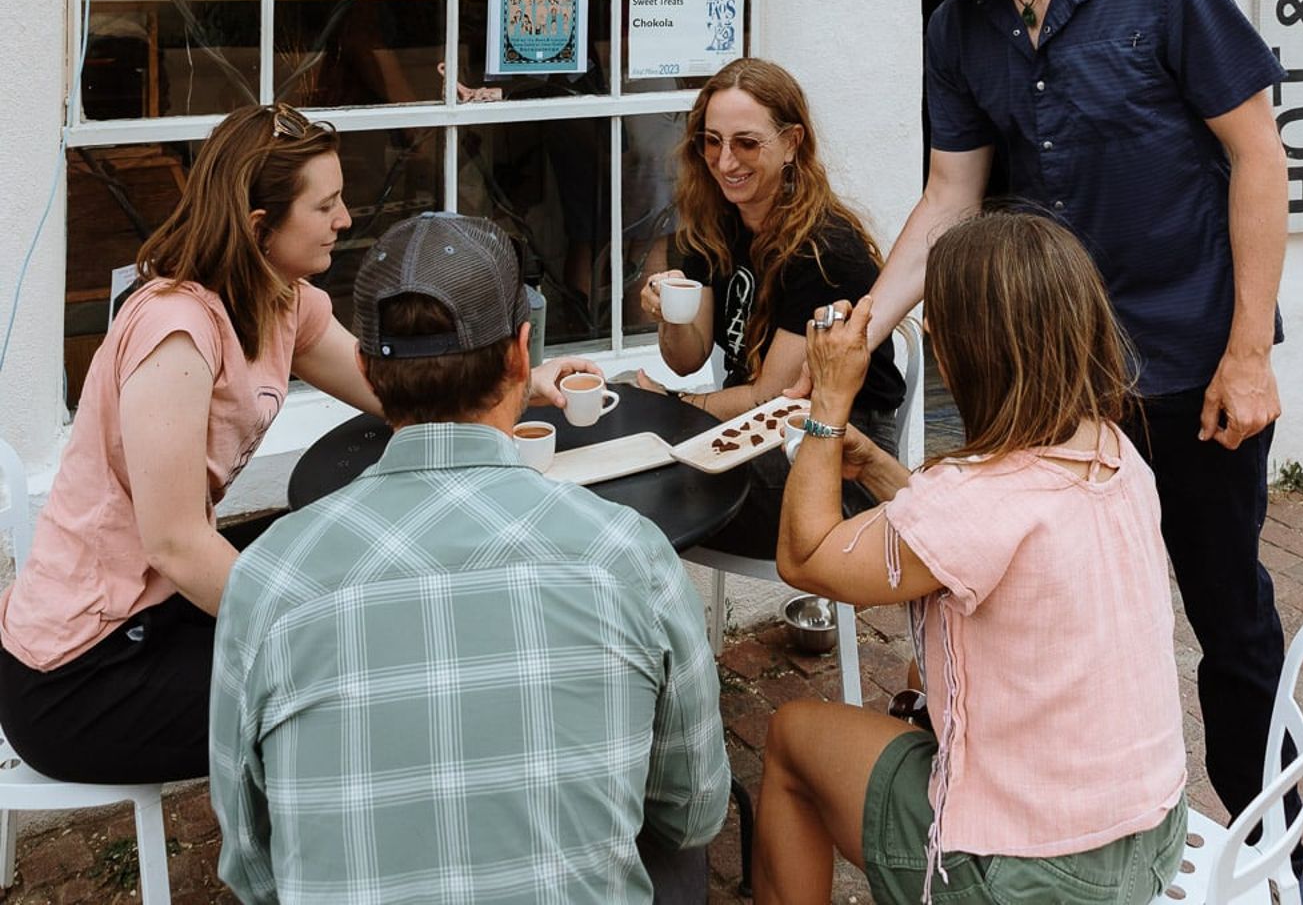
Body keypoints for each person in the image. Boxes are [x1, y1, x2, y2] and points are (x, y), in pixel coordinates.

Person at [857, 0, 1297, 886]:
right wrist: (863, 325)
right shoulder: (958, 28)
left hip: (1194, 368)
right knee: (1071, 621)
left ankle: (1275, 858)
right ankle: (1091, 842)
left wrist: (1249, 353)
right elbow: (951, 196)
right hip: (1060, 386)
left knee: (1228, 619)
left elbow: (1259, 157)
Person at [0, 102, 596, 786]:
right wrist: (316, 630)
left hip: (162, 608)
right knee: (346, 686)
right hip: (81, 672)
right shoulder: (175, 332)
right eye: (325, 205)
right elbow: (175, 543)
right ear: (260, 227)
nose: (345, 220)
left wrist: (519, 382)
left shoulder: (282, 300)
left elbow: (397, 393)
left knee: (351, 578)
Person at [209, 211, 730, 905]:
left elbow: (251, 863)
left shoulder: (267, 578)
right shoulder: (629, 557)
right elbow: (693, 811)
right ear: (521, 356)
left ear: (366, 369)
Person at [754, 208, 1189, 905]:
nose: (930, 332)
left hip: (1033, 877)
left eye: (938, 325)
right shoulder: (1117, 452)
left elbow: (805, 557)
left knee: (791, 737)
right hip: (1150, 838)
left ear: (968, 352)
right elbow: (973, 541)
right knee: (912, 694)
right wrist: (879, 471)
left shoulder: (976, 496)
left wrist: (829, 406)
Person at [637, 58, 904, 555]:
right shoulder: (714, 222)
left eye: (746, 143)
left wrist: (670, 407)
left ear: (792, 143)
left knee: (649, 490)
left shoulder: (824, 249)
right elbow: (687, 359)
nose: (725, 162)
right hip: (752, 433)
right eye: (711, 141)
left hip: (838, 455)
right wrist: (669, 313)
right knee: (629, 465)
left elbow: (770, 397)